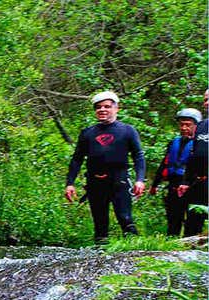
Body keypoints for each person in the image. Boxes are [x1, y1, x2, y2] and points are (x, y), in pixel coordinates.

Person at [65, 91, 146, 243]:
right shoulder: (87, 133)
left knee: (125, 218)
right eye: (98, 107)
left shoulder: (127, 130)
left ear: (116, 109)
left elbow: (138, 156)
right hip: (95, 183)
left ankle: (138, 254)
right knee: (100, 223)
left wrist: (140, 179)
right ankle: (100, 258)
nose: (102, 110)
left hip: (119, 182)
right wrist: (70, 183)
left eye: (107, 106)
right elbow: (77, 159)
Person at [148, 108, 202, 236]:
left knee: (193, 221)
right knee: (173, 219)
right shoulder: (174, 142)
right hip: (174, 184)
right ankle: (171, 245)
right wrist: (155, 184)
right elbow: (164, 163)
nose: (184, 128)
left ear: (196, 125)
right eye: (181, 124)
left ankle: (191, 247)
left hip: (193, 186)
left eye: (188, 125)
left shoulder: (201, 144)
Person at [180, 89, 209, 236]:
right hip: (199, 183)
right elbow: (194, 156)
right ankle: (188, 256)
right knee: (192, 222)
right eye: (205, 100)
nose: (207, 103)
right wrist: (186, 181)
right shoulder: (202, 126)